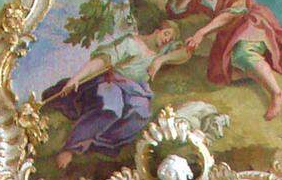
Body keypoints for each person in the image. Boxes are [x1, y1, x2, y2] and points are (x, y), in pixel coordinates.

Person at [44, 22, 182, 170]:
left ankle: (100, 144)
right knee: (111, 108)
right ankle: (71, 148)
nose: (167, 40)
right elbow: (102, 60)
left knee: (141, 112)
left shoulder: (161, 53)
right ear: (157, 31)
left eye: (171, 39)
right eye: (166, 34)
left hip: (135, 89)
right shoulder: (131, 42)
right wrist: (76, 78)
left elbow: (186, 52)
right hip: (113, 81)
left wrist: (162, 60)